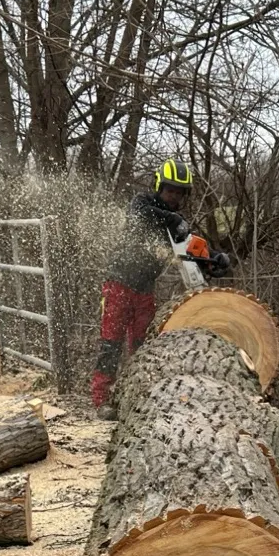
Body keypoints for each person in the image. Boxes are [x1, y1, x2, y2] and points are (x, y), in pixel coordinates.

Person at [91, 159, 230, 413]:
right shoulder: (143, 204)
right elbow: (141, 216)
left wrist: (213, 259)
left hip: (145, 289)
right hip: (119, 284)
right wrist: (172, 218)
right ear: (158, 187)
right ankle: (101, 398)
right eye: (169, 191)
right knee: (111, 342)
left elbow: (190, 246)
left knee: (142, 344)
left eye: (178, 193)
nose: (173, 197)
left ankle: (135, 393)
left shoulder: (176, 221)